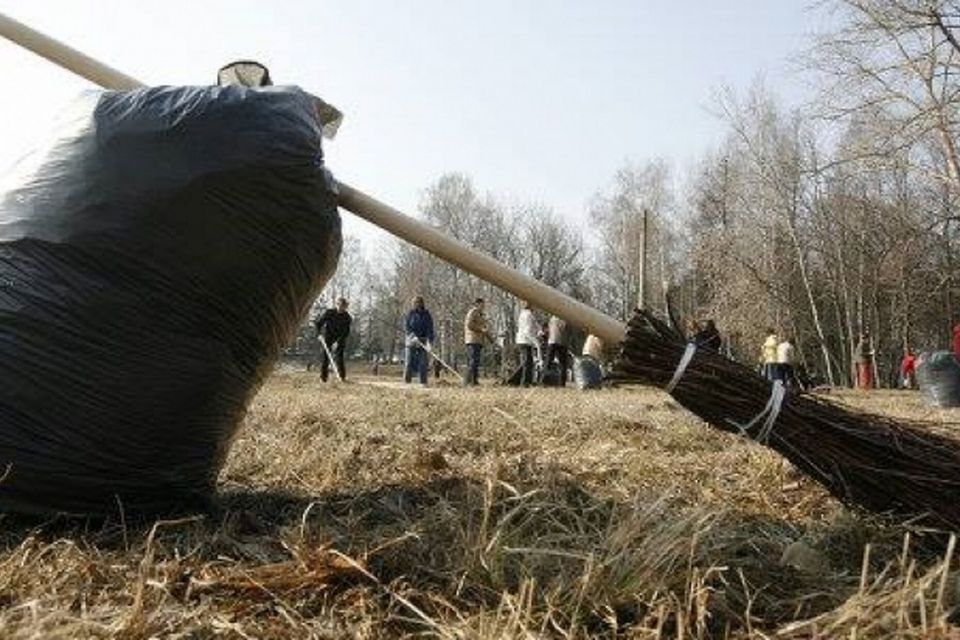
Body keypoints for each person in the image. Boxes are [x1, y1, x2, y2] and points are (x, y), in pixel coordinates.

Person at [314, 297, 351, 382]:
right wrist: (319, 334)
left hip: (340, 338)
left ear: (346, 307)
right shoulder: (329, 313)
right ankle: (323, 377)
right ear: (337, 305)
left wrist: (338, 342)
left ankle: (342, 377)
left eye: (343, 307)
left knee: (339, 357)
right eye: (340, 306)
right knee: (326, 357)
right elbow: (318, 324)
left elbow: (346, 332)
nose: (341, 308)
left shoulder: (347, 318)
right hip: (328, 337)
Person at [403, 295, 435, 385]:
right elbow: (407, 327)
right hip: (411, 341)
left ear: (422, 303)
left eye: (418, 302)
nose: (416, 304)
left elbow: (430, 329)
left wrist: (429, 342)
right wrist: (412, 336)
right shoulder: (410, 314)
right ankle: (407, 382)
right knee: (408, 362)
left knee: (423, 363)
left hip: (423, 341)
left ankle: (423, 382)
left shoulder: (427, 314)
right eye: (414, 303)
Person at [464, 297, 491, 386]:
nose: (483, 306)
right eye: (482, 304)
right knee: (473, 361)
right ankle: (467, 381)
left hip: (479, 340)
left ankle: (474, 381)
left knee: (476, 362)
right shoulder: (472, 312)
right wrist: (481, 330)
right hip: (472, 340)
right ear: (477, 304)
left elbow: (484, 328)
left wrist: (491, 339)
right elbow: (469, 325)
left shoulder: (481, 314)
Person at [515, 301, 540, 387]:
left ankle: (527, 381)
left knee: (528, 362)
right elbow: (527, 331)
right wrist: (536, 342)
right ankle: (524, 382)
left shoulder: (523, 314)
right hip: (525, 341)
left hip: (523, 341)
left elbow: (534, 326)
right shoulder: (528, 315)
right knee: (527, 362)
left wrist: (539, 330)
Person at [545, 314, 570, 387]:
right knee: (563, 364)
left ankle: (544, 381)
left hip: (552, 341)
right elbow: (564, 329)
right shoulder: (563, 319)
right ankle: (562, 383)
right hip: (560, 342)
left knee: (548, 362)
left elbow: (549, 329)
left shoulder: (552, 318)